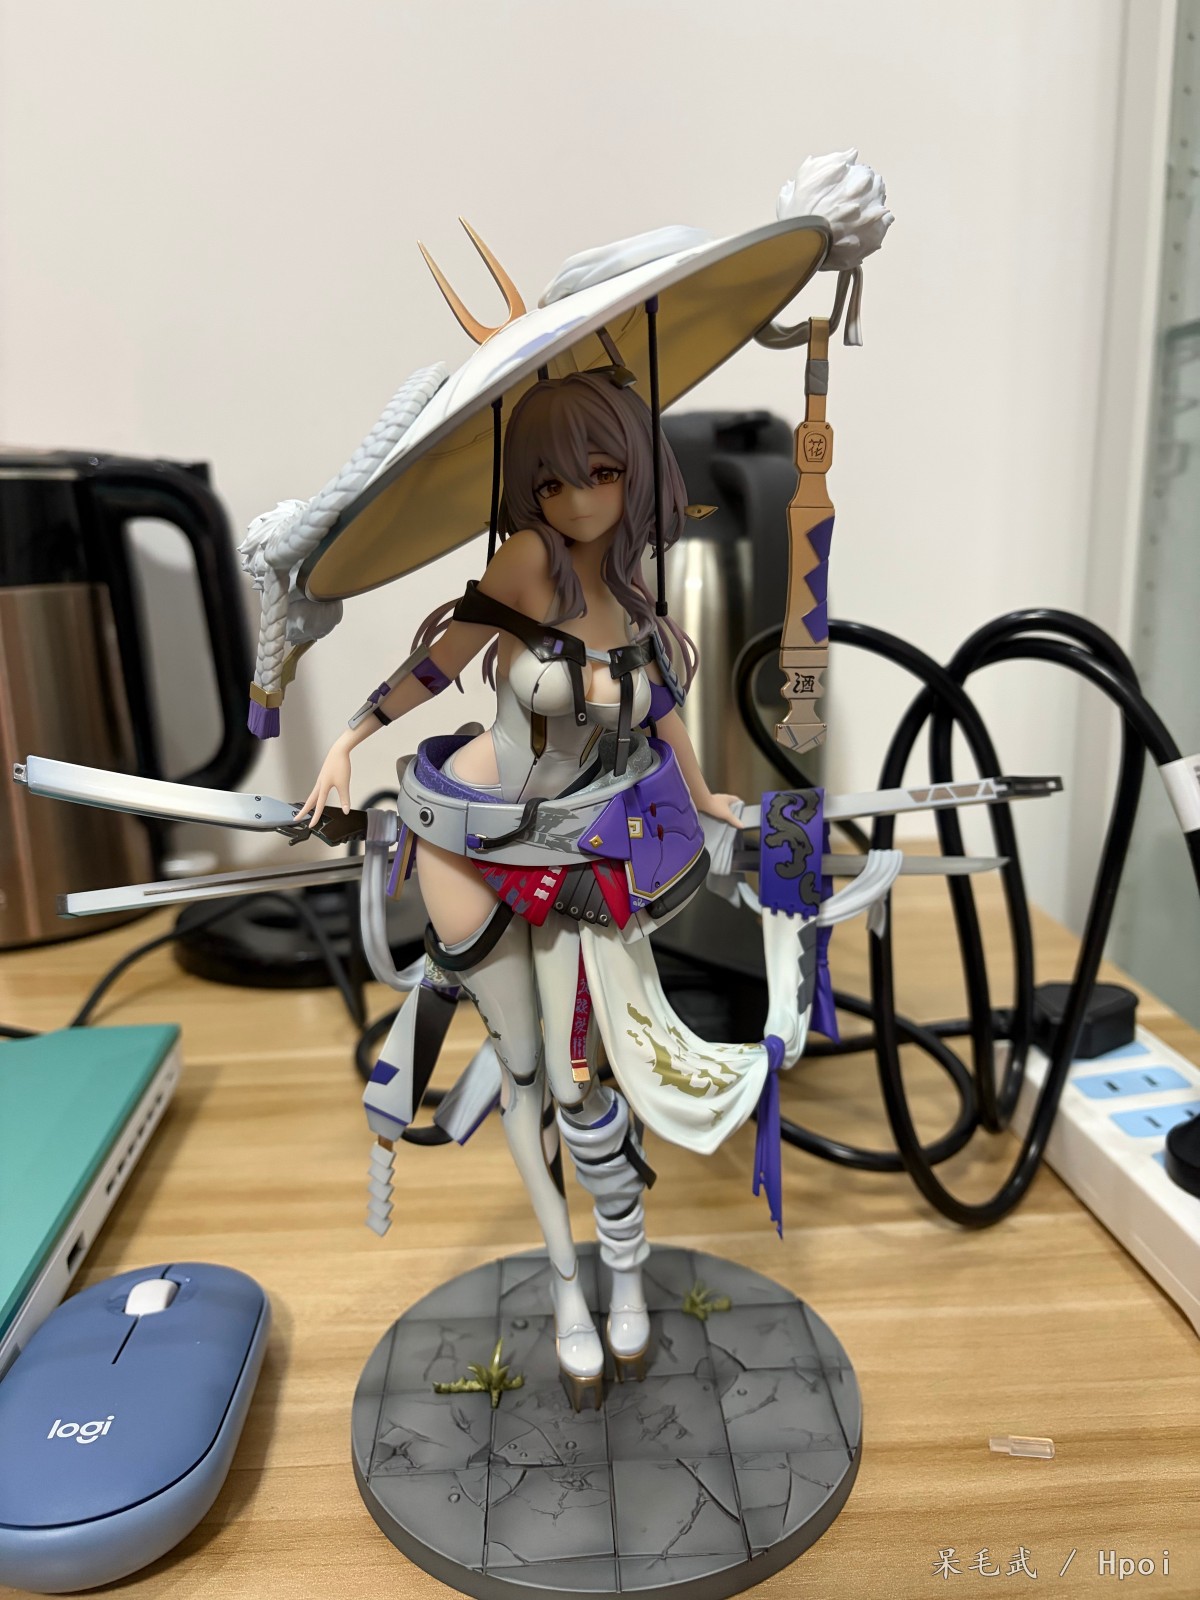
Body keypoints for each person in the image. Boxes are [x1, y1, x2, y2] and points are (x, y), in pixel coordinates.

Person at [301, 371, 748, 1410]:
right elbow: (440, 661)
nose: (579, 499)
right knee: (526, 1071)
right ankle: (565, 1286)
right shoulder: (528, 561)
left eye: (602, 471)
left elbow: (662, 710)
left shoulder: (636, 586)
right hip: (472, 840)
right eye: (551, 481)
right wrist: (347, 739)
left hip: (579, 852)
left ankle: (624, 1265)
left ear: (636, 470)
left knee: (585, 1079)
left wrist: (702, 793)